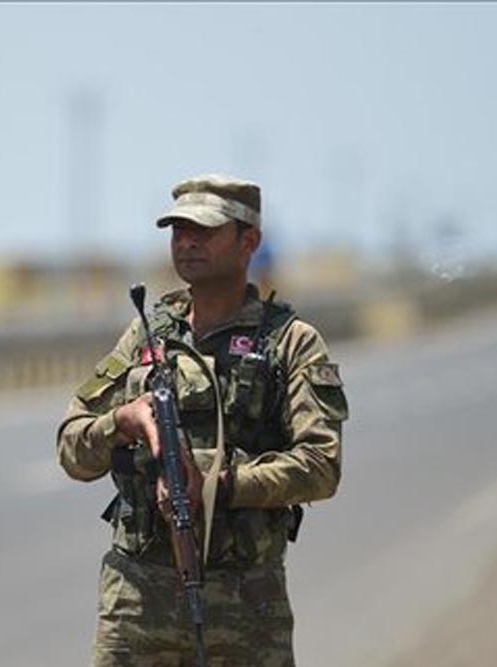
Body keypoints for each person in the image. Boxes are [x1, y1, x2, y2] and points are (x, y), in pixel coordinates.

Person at [56, 174, 349, 667]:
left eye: (204, 230)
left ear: (248, 241)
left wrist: (218, 487)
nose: (187, 242)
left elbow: (321, 466)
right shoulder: (147, 333)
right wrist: (121, 422)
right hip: (136, 603)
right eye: (178, 231)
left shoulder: (289, 342)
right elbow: (71, 448)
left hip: (245, 605)